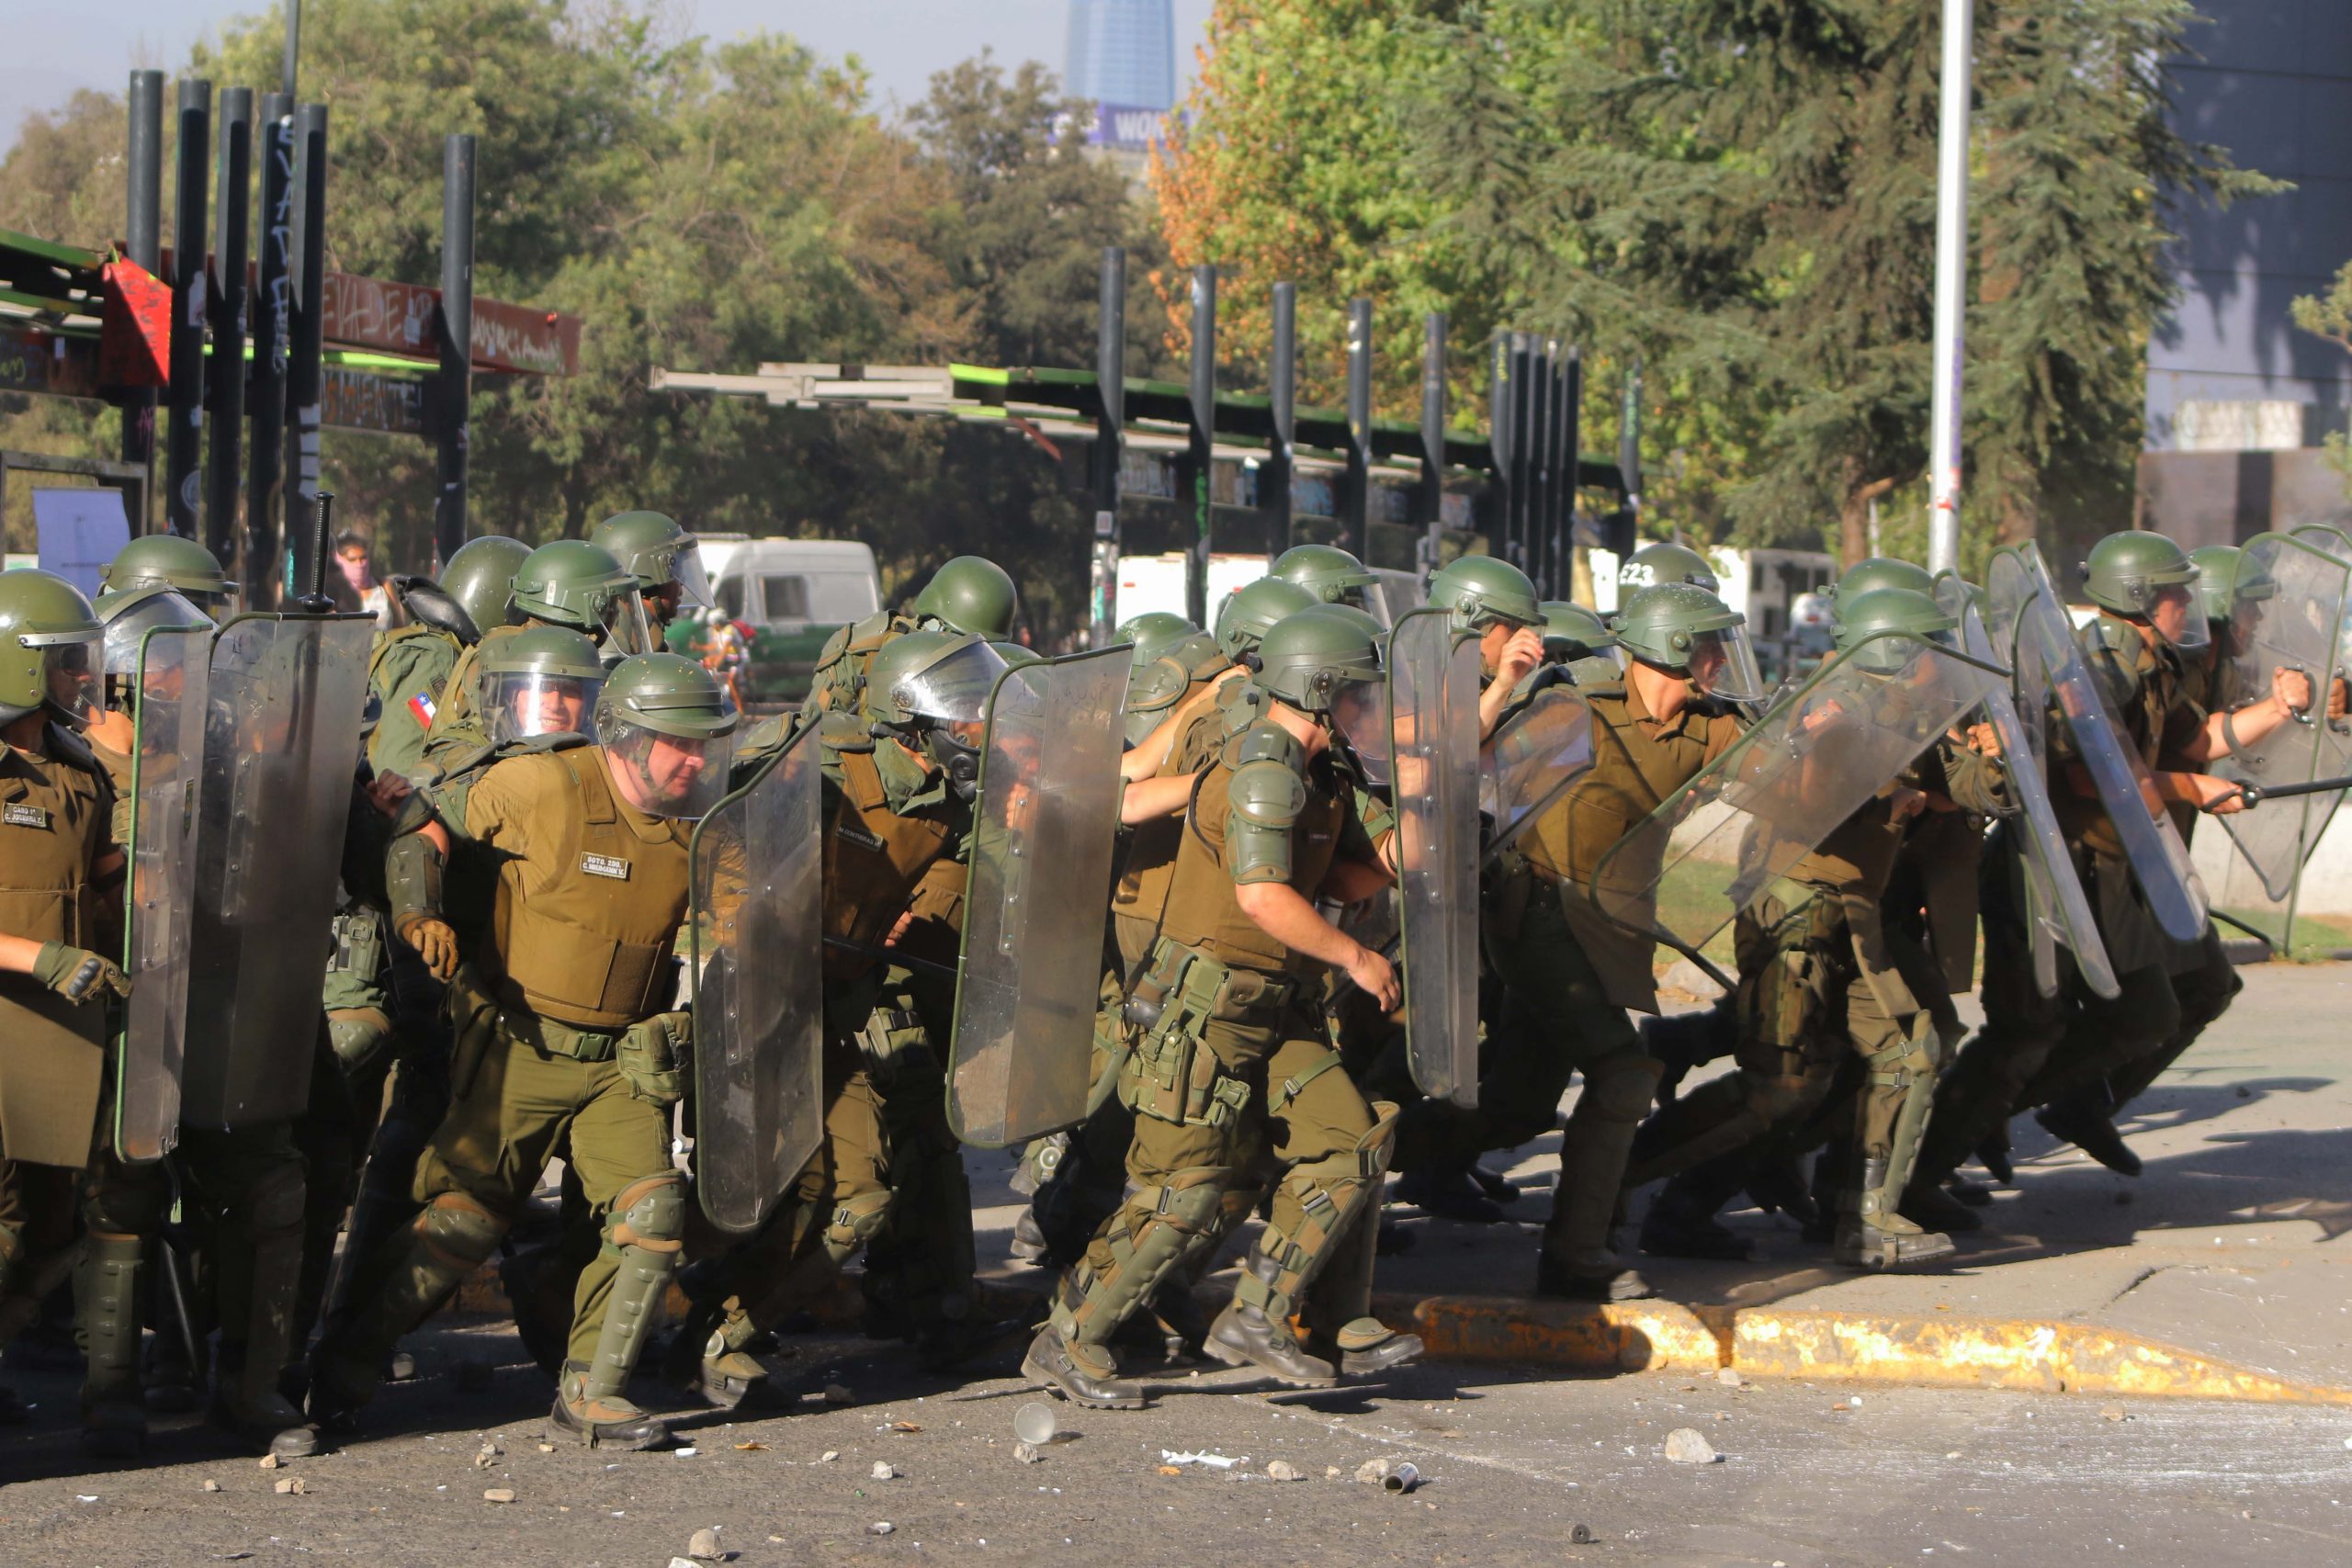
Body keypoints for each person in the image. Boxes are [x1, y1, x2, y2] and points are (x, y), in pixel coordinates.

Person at [310, 653, 738, 1450]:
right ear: (629, 740)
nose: (697, 760)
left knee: (653, 1210)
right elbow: (423, 831)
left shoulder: (700, 818)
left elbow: (743, 902)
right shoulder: (545, 786)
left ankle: (592, 1390)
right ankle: (337, 1373)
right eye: (682, 744)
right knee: (460, 1227)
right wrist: (419, 916)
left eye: (706, 744)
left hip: (624, 1062)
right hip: (518, 1044)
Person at [1023, 605, 1419, 1409]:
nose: (1366, 712)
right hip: (1201, 1014)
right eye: (1356, 695)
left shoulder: (1325, 772)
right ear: (1317, 689)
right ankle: (1067, 1337)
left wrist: (1426, 834)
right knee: (1187, 1188)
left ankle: (1257, 1314)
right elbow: (1264, 895)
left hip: (1279, 1008)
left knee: (1352, 1143)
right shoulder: (1263, 767)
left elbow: (1342, 879)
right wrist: (1355, 954)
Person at [0, 570, 135, 1449]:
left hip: (55, 1036)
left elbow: (98, 883)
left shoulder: (81, 771)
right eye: (60, 661)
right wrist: (37, 957)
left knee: (51, 1227)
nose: (81, 676)